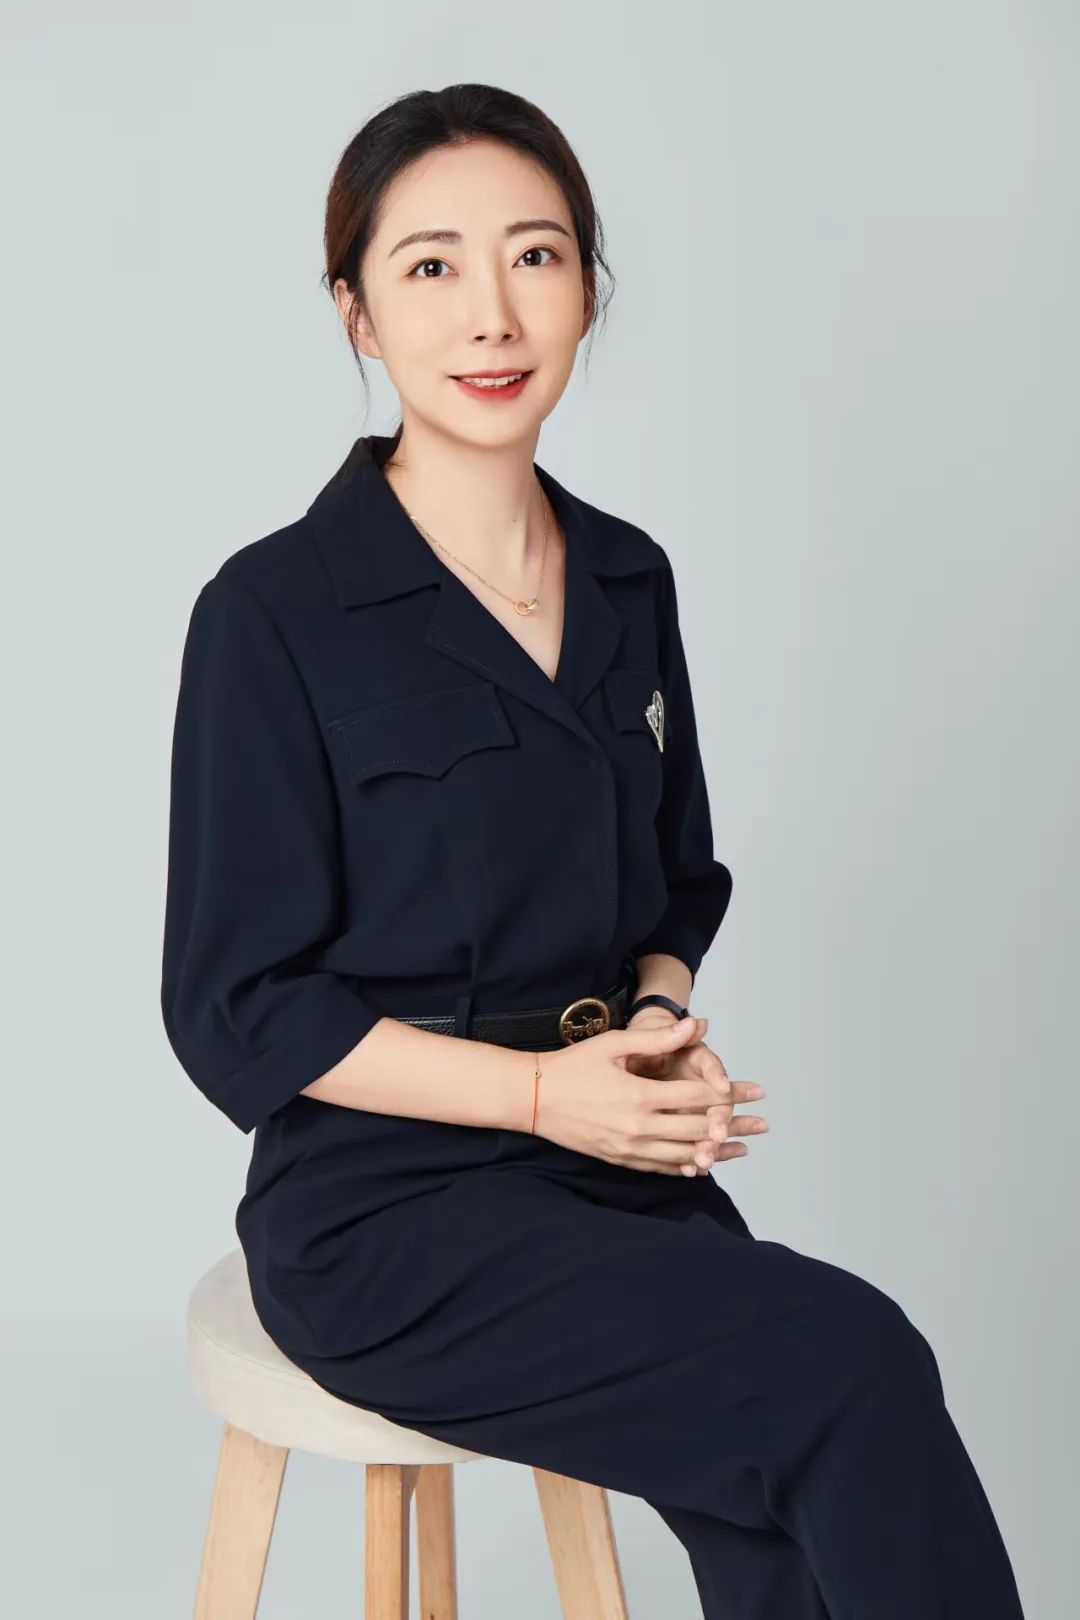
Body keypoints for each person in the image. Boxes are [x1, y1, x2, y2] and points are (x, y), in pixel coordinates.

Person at [160, 84, 1026, 1619]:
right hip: (386, 1210)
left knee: (790, 1485)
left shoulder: (628, 577)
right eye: (432, 266)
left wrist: (655, 1024)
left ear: (586, 288)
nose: (492, 313)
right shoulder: (273, 613)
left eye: (537, 255)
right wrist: (544, 1096)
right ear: (358, 313)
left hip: (610, 1166)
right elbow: (240, 1009)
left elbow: (676, 881)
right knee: (854, 1366)